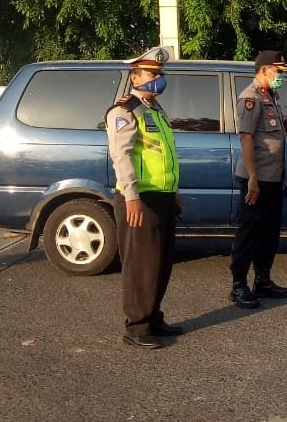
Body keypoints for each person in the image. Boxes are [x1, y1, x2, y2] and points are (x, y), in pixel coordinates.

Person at [106, 50, 182, 349]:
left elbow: (164, 155)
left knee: (161, 262)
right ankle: (137, 327)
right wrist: (132, 198)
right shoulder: (125, 111)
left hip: (161, 196)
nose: (158, 79)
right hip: (139, 200)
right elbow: (121, 156)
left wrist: (174, 191)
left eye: (160, 74)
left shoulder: (155, 110)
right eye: (152, 74)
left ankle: (153, 317)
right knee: (141, 264)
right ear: (135, 77)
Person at [230, 50, 287, 309]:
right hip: (255, 179)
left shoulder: (271, 96)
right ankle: (238, 286)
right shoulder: (250, 98)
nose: (281, 76)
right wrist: (253, 178)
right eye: (279, 72)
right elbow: (246, 138)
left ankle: (263, 281)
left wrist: (279, 178)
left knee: (269, 234)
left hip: (272, 178)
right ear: (266, 69)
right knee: (249, 233)